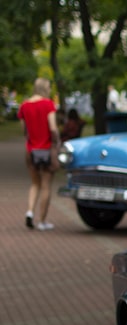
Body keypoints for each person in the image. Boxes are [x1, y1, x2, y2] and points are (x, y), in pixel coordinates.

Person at [17, 77, 60, 231]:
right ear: (45, 88)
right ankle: (42, 221)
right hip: (46, 150)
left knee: (35, 183)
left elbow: (24, 130)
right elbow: (53, 128)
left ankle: (29, 212)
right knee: (46, 185)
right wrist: (57, 142)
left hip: (31, 150)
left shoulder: (24, 106)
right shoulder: (48, 105)